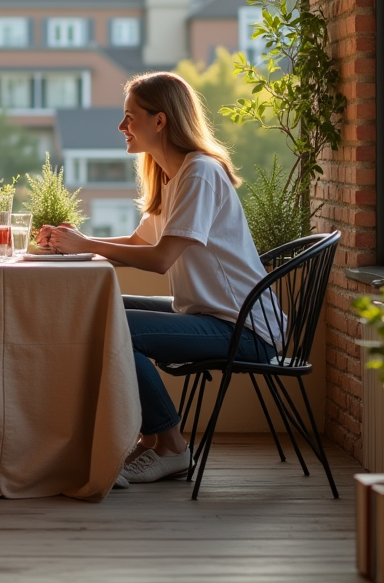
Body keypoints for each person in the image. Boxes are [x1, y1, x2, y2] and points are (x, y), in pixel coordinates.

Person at [37, 71, 280, 485]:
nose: (121, 126)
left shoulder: (199, 172)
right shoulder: (172, 175)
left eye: (130, 116)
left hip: (243, 327)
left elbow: (161, 258)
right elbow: (138, 241)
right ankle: (152, 440)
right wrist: (72, 243)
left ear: (160, 121)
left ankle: (170, 444)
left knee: (119, 328)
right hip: (211, 315)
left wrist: (83, 244)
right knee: (105, 312)